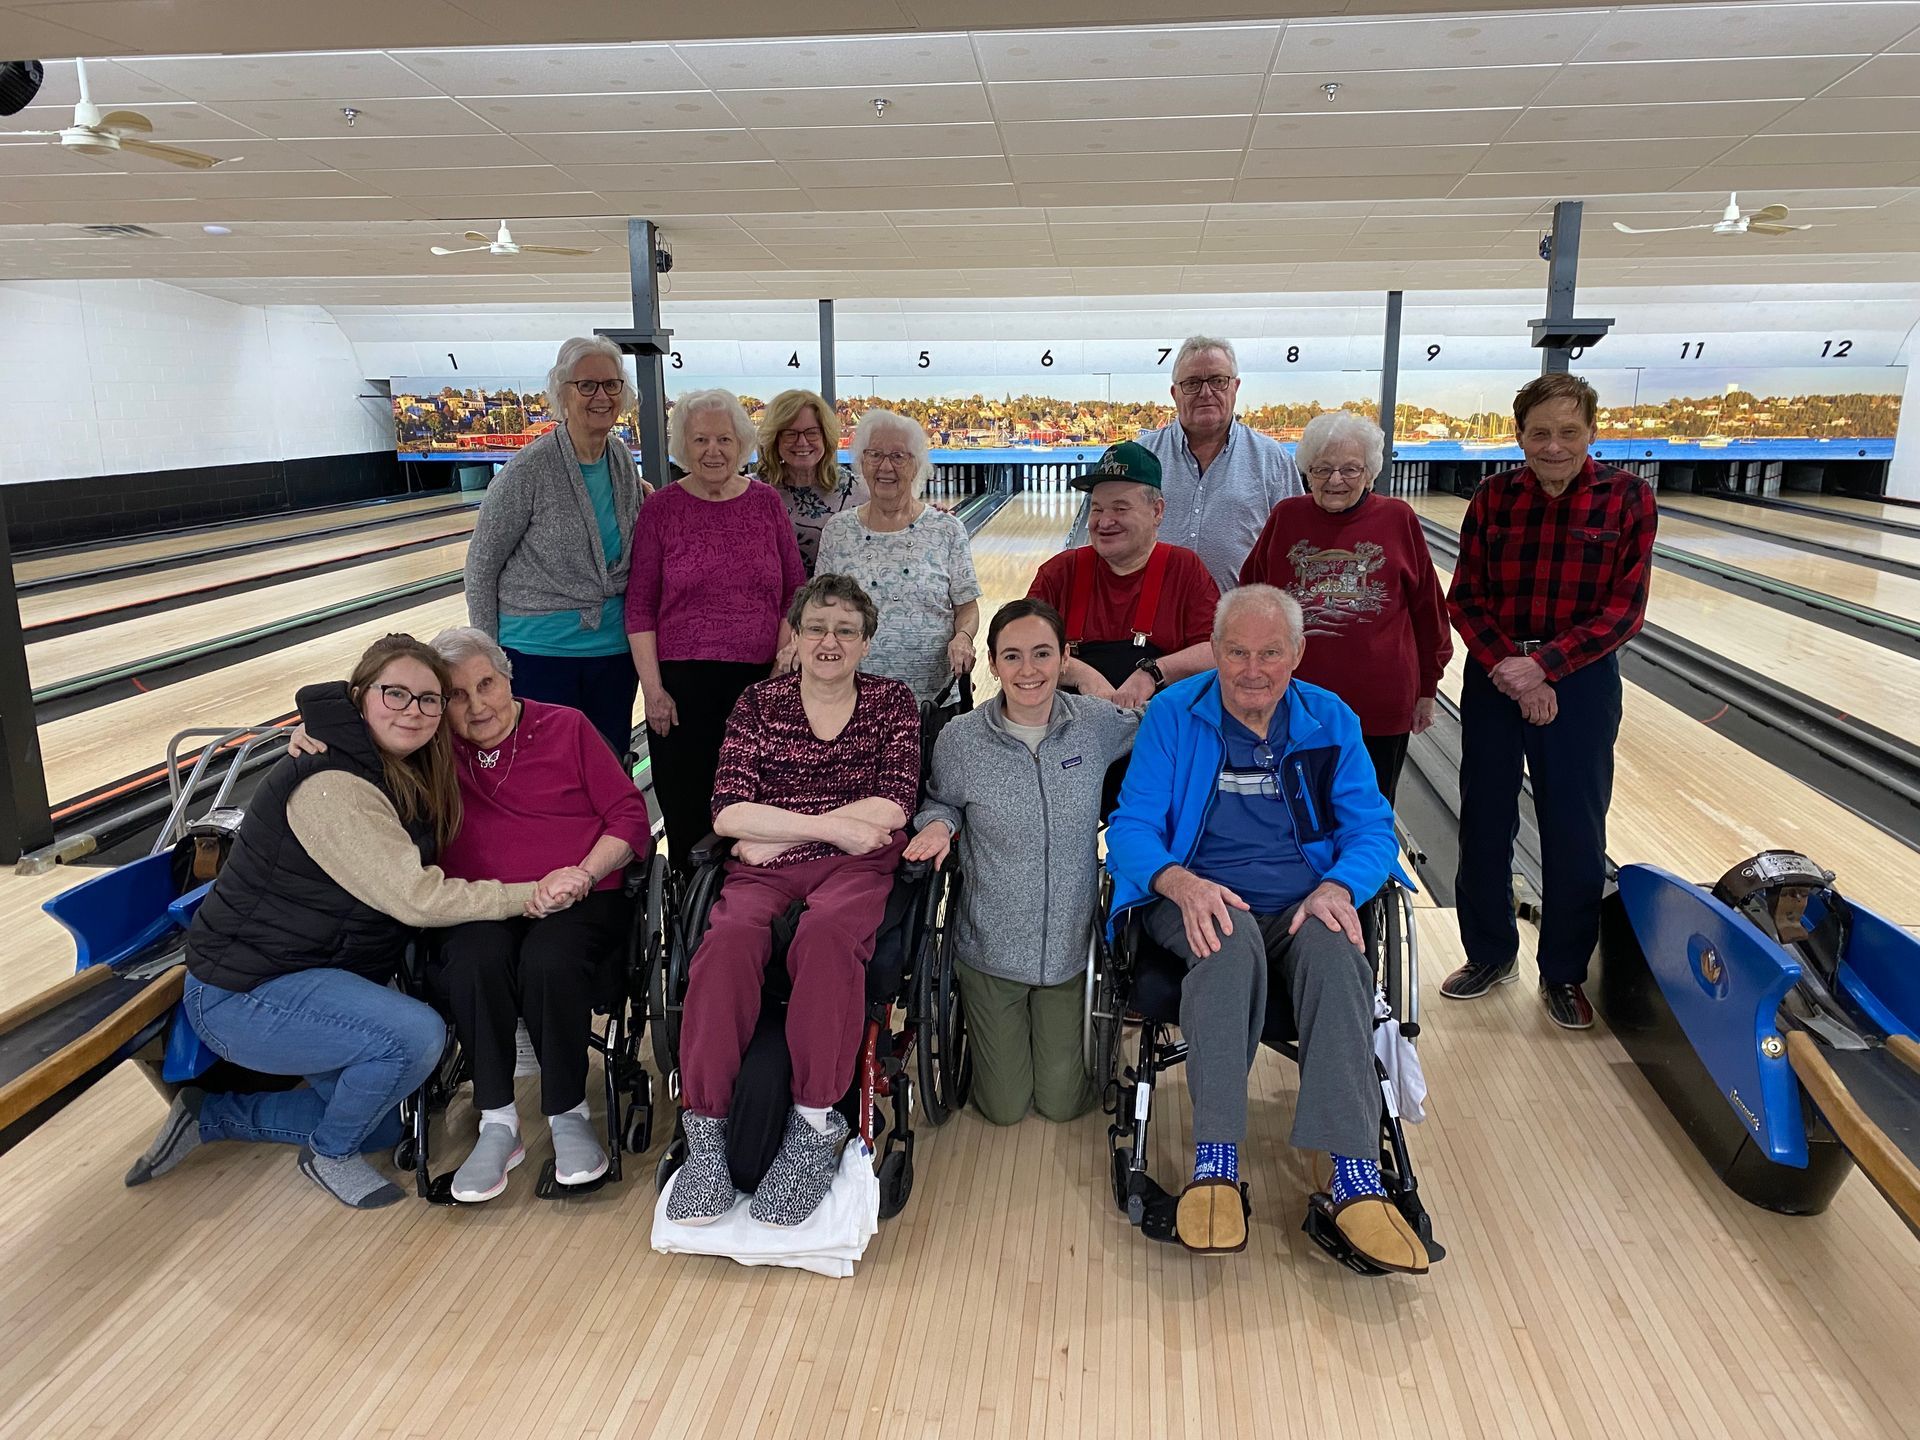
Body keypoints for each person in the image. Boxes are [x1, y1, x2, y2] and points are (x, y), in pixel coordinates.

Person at [124, 635, 542, 1211]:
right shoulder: (332, 783)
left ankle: (210, 1115)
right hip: (246, 993)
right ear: (360, 697)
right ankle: (329, 1154)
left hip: (312, 972)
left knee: (384, 1125)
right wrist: (532, 895)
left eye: (428, 699)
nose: (413, 711)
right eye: (395, 694)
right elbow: (416, 899)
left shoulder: (394, 763)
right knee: (414, 1036)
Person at [1104, 586, 1426, 1272]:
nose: (1253, 670)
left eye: (1270, 653)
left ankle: (1353, 1171)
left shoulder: (1328, 719)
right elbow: (1131, 827)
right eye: (1237, 652)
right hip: (1193, 896)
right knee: (1226, 939)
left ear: (1297, 654)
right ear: (1215, 652)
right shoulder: (1174, 713)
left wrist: (1340, 887)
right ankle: (1215, 1161)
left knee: (1337, 951)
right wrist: (1179, 882)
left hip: (1303, 901)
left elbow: (1371, 831)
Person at [668, 574, 921, 1229]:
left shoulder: (893, 702)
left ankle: (813, 1127)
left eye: (845, 630)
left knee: (828, 936)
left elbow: (894, 805)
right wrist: (832, 828)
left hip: (853, 866)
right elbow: (728, 812)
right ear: (796, 637)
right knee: (726, 945)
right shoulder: (759, 702)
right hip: (775, 867)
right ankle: (706, 1136)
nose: (829, 641)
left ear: (866, 642)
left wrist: (780, 832)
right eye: (816, 628)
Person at [1441, 373, 1657, 1031]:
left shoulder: (1629, 498)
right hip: (1496, 671)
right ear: (1519, 436)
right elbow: (1465, 597)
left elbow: (1625, 610)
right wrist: (1512, 669)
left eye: (1568, 431)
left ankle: (1563, 971)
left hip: (1580, 678)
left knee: (1574, 829)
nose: (1554, 446)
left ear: (1591, 431)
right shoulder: (1494, 497)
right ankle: (1489, 954)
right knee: (1484, 821)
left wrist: (1542, 668)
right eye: (1540, 433)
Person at [905, 598, 1138, 1125]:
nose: (1028, 670)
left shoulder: (1095, 724)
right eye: (1012, 656)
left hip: (1068, 953)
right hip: (989, 950)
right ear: (992, 663)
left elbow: (1162, 726)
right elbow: (941, 801)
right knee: (1005, 1109)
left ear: (1064, 657)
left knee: (1061, 1105)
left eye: (1042, 653)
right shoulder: (961, 739)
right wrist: (938, 825)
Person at [627, 388, 805, 870]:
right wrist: (653, 691)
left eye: (724, 439)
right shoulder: (661, 509)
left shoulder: (766, 503)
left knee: (758, 814)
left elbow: (794, 591)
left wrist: (781, 664)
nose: (713, 450)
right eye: (700, 439)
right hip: (681, 691)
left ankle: (752, 906)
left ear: (740, 442)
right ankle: (693, 909)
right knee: (689, 815)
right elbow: (640, 607)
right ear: (683, 446)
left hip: (759, 683)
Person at [1238, 411, 1451, 804]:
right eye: (1322, 469)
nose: (1335, 480)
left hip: (1379, 705)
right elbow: (1250, 597)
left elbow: (1429, 612)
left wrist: (1428, 688)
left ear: (1369, 473)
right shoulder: (1286, 516)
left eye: (1350, 469)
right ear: (1308, 472)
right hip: (1296, 703)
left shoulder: (1398, 518)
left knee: (1368, 813)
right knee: (1296, 813)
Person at [463, 335, 644, 757]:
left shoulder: (619, 458)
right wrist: (487, 661)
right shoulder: (528, 469)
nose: (601, 396)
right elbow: (481, 567)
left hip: (613, 653)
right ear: (562, 394)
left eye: (611, 384)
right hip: (537, 655)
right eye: (587, 386)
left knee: (606, 765)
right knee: (547, 771)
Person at [1069, 335, 1302, 591]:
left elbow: (1296, 549)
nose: (1206, 393)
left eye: (1218, 381)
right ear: (1174, 393)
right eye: (1192, 383)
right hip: (1146, 613)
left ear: (1235, 387)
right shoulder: (1138, 456)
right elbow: (1092, 539)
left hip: (1238, 614)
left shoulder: (1273, 459)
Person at [1027, 440, 1218, 707]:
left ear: (1157, 511)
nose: (1104, 522)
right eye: (1097, 508)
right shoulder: (1059, 572)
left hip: (1160, 726)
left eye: (1120, 508)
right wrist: (1080, 674)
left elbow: (1217, 650)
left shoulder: (1185, 569)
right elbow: (1020, 649)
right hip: (1069, 728)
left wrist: (1153, 672)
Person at [817, 409, 981, 704]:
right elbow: (820, 608)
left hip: (935, 699)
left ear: (916, 465)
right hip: (853, 698)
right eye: (875, 454)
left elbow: (967, 607)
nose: (885, 466)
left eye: (898, 456)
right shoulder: (837, 530)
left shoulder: (947, 529)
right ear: (862, 462)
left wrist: (963, 638)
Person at [756, 388, 867, 576]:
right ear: (775, 439)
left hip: (839, 594)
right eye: (790, 433)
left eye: (812, 432)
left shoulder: (858, 491)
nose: (802, 442)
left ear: (825, 436)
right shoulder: (753, 492)